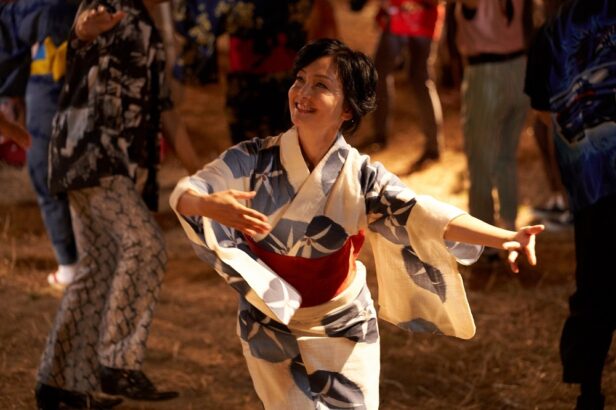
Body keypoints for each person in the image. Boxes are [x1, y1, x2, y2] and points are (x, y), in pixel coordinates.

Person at [171, 38, 543, 409]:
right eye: (300, 79)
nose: (303, 93)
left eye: (320, 85)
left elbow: (424, 214)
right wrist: (205, 204)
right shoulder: (252, 159)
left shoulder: (360, 177)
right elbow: (189, 191)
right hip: (269, 319)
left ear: (348, 108)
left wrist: (507, 237)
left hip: (342, 318)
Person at [35, 1, 201, 408]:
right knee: (146, 245)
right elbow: (80, 41)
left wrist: (202, 177)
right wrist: (83, 31)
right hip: (92, 153)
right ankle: (117, 363)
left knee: (98, 267)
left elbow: (165, 110)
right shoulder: (111, 6)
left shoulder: (151, 24)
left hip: (113, 163)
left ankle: (59, 385)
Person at [525, 1, 616, 408]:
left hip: (591, 184)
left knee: (595, 287)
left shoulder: (552, 31)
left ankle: (589, 391)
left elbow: (543, 112)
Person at [171, 0, 334, 145]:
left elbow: (324, 20)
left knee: (288, 151)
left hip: (290, 77)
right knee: (255, 154)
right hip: (254, 76)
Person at [0, 0, 80, 290]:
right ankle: (72, 262)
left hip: (55, 72)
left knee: (52, 174)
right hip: (52, 68)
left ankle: (71, 264)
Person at [452, 0, 533, 286]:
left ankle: (485, 244)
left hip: (486, 75)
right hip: (519, 70)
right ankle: (510, 230)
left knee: (481, 163)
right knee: (506, 158)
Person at [353, 0, 444, 172]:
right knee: (382, 73)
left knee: (419, 78)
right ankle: (380, 135)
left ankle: (432, 145)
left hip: (420, 15)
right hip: (400, 15)